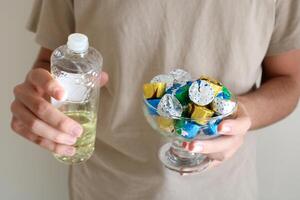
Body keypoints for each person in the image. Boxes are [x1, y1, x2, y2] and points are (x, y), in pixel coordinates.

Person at [10, 0, 300, 200]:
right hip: (106, 187)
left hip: (223, 189)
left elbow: (289, 81)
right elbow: (55, 60)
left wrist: (242, 112)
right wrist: (46, 102)